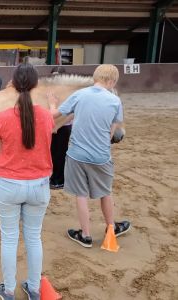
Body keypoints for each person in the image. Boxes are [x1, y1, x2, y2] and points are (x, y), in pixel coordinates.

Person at [0, 63, 54, 300]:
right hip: (38, 184)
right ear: (36, 85)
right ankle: (34, 289)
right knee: (34, 237)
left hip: (8, 184)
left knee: (9, 238)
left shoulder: (2, 118)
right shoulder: (47, 117)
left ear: (12, 85)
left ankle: (8, 290)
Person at [48, 64, 130, 248]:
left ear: (95, 78)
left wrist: (52, 102)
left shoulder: (79, 95)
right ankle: (111, 228)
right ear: (112, 81)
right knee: (105, 193)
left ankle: (85, 235)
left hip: (77, 155)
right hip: (101, 156)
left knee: (81, 195)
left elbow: (54, 115)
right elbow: (111, 132)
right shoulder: (115, 101)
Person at [49, 66, 72, 190]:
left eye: (57, 76)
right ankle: (52, 177)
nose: (54, 79)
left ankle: (58, 180)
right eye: (53, 76)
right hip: (51, 127)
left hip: (62, 127)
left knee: (59, 154)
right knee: (52, 153)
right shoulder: (50, 91)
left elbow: (71, 114)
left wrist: (59, 125)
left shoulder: (68, 93)